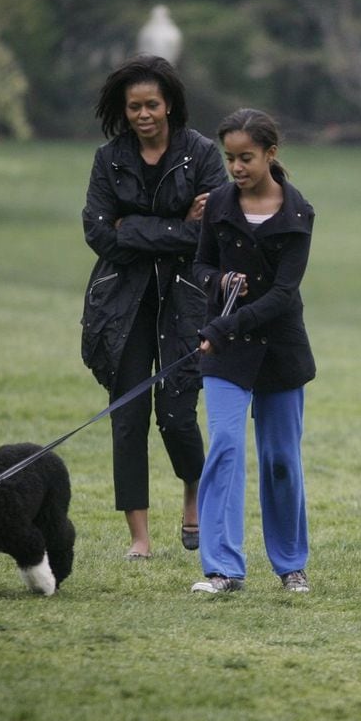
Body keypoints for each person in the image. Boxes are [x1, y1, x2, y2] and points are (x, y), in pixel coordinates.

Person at [81, 55, 227, 560]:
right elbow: (99, 234)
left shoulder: (201, 154)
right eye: (134, 107)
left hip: (186, 300)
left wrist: (134, 227)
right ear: (123, 110)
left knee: (177, 413)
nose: (143, 115)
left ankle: (193, 494)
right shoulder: (109, 158)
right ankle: (139, 538)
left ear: (170, 106)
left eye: (152, 105)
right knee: (128, 416)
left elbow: (213, 231)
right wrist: (177, 226)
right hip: (123, 303)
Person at [191, 109, 315, 594]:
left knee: (281, 459)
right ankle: (222, 568)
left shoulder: (298, 214)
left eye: (246, 158)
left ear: (270, 154)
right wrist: (219, 280)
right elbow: (199, 264)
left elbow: (283, 295)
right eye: (230, 159)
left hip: (278, 349)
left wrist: (224, 326)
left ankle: (291, 567)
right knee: (223, 447)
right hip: (226, 351)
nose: (237, 168)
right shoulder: (218, 204)